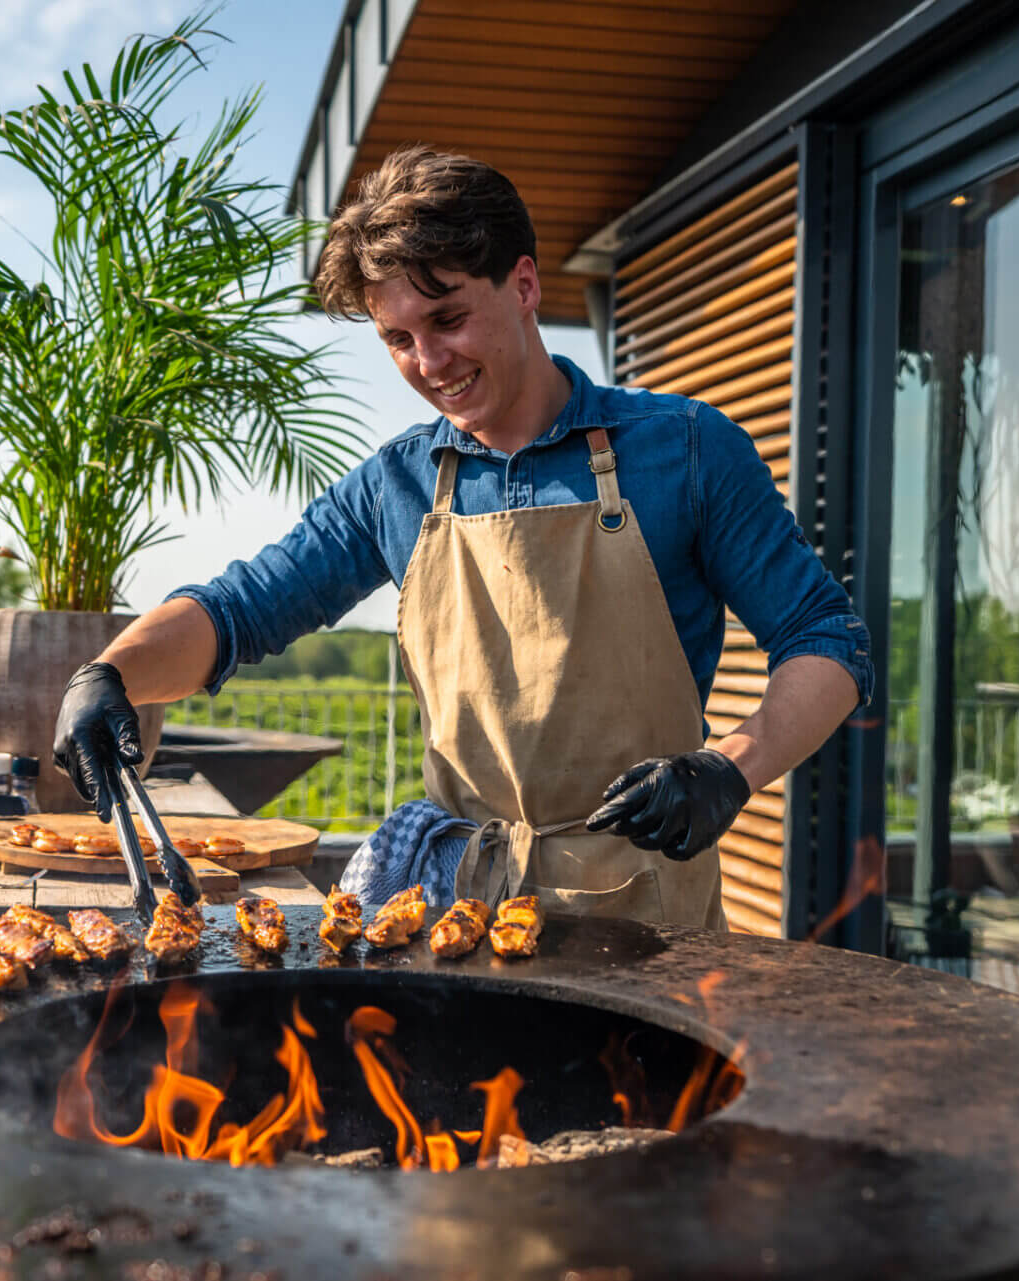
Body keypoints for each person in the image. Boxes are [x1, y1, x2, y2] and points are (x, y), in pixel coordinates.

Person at [54, 146, 872, 929]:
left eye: (446, 319)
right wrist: (110, 675)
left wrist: (727, 769)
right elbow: (242, 609)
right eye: (398, 340)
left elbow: (827, 641)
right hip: (458, 915)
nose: (428, 361)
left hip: (648, 918)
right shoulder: (399, 484)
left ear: (523, 286)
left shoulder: (685, 449)